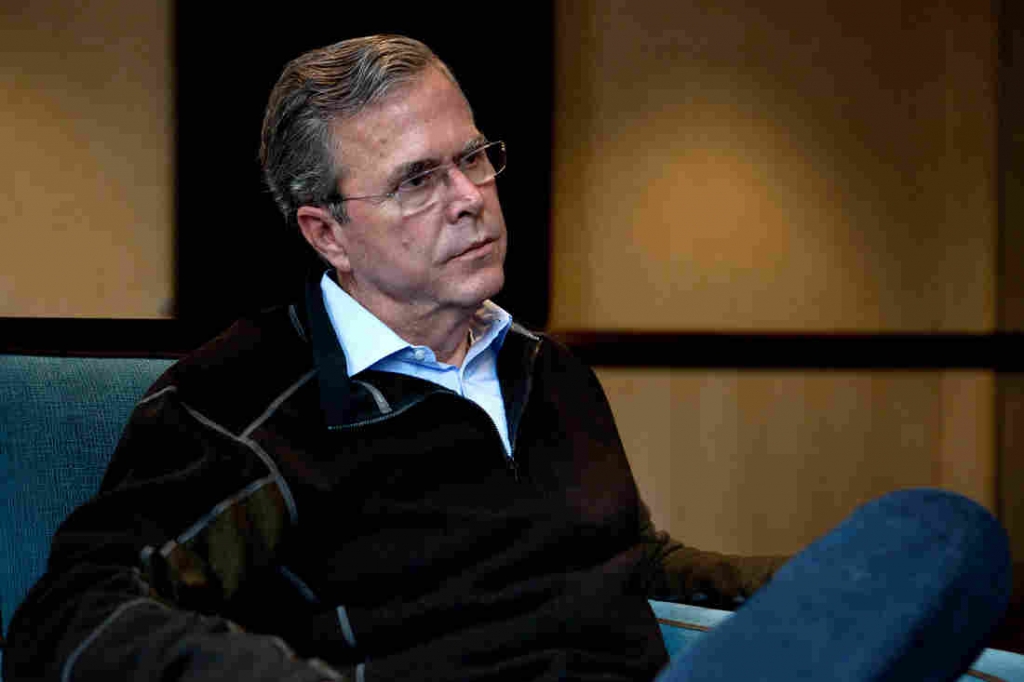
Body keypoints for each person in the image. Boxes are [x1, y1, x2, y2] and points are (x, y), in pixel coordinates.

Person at [2, 35, 1011, 682]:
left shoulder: (547, 371)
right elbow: (75, 617)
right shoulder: (244, 404)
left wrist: (808, 591)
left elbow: (623, 563)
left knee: (937, 537)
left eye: (473, 157)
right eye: (416, 180)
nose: (468, 197)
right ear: (325, 233)